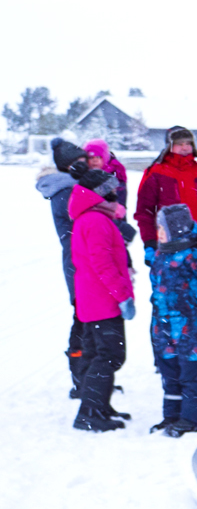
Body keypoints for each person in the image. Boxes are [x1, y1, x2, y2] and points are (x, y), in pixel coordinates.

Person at [69, 168, 137, 432]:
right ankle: (90, 412)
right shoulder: (95, 221)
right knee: (109, 355)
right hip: (102, 300)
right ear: (100, 193)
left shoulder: (92, 218)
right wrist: (122, 296)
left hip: (95, 299)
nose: (116, 192)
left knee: (100, 353)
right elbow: (103, 264)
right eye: (111, 188)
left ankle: (98, 406)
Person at [147, 204, 197, 437]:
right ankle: (171, 415)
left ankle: (190, 418)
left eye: (162, 228)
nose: (158, 232)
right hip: (162, 327)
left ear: (176, 229)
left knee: (191, 370)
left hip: (189, 328)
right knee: (169, 371)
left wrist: (196, 305)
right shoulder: (161, 255)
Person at [39, 137, 90, 396]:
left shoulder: (76, 188)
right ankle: (82, 380)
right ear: (67, 166)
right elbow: (93, 218)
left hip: (82, 261)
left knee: (90, 323)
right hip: (79, 264)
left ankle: (91, 378)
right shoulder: (67, 192)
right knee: (83, 321)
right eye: (80, 163)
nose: (87, 167)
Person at [135, 126, 197, 262]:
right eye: (179, 144)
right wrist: (149, 244)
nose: (184, 147)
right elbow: (145, 211)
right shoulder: (156, 173)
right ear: (169, 146)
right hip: (168, 245)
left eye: (188, 143)